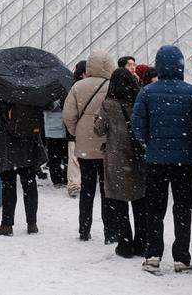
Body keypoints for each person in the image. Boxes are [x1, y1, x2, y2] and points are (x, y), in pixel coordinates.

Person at [131, 45, 192, 275]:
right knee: (183, 209)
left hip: (156, 161)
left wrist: (150, 144)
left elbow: (137, 126)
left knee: (155, 209)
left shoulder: (147, 92)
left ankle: (153, 255)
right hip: (184, 161)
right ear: (181, 65)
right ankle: (181, 258)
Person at [94, 67, 148, 258]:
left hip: (117, 159)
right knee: (140, 201)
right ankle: (142, 243)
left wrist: (98, 117)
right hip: (138, 157)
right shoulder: (139, 101)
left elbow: (99, 130)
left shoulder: (108, 105)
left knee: (119, 203)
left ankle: (125, 245)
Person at [63, 51, 114, 243]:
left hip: (84, 146)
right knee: (107, 190)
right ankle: (110, 232)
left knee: (87, 189)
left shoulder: (78, 86)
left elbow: (68, 115)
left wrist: (78, 132)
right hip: (107, 145)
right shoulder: (112, 86)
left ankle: (84, 230)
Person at [0, 94, 46, 237]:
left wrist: (4, 118)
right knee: (30, 184)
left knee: (8, 185)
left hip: (7, 143)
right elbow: (45, 108)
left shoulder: (1, 90)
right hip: (30, 141)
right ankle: (32, 224)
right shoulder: (34, 90)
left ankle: (7, 224)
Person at [67, 60, 87, 199]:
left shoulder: (72, 87)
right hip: (86, 128)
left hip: (76, 128)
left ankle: (75, 184)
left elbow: (67, 111)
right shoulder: (97, 86)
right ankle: (77, 184)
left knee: (74, 158)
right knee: (78, 157)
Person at [43, 98, 68, 188]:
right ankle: (61, 179)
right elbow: (47, 107)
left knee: (57, 158)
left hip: (57, 131)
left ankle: (61, 179)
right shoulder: (48, 96)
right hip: (55, 131)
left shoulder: (48, 93)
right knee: (59, 158)